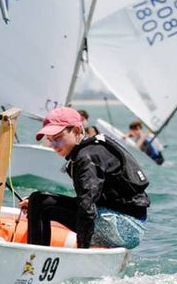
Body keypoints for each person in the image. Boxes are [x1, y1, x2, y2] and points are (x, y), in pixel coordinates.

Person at [18, 106, 149, 249]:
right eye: (49, 139)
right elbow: (90, 200)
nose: (53, 145)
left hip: (123, 227)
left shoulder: (86, 157)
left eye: (57, 138)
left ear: (76, 131)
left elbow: (86, 207)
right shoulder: (91, 149)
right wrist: (35, 205)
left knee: (39, 201)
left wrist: (82, 249)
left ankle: (35, 257)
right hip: (130, 226)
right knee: (37, 201)